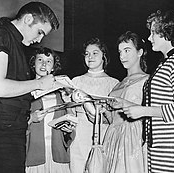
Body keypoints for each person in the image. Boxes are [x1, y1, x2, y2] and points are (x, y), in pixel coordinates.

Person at [113, 10, 174, 173]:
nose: (149, 38)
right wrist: (126, 104)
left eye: (153, 33)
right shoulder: (164, 63)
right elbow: (159, 104)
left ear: (167, 32)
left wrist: (143, 110)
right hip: (159, 146)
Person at [0, 2, 59, 173]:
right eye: (39, 32)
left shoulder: (15, 44)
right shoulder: (1, 35)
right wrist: (38, 83)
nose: (39, 40)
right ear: (28, 19)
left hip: (11, 131)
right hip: (0, 132)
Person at [85, 31, 149, 173]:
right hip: (112, 137)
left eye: (127, 50)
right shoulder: (117, 85)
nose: (122, 56)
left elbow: (150, 113)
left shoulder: (147, 81)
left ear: (140, 52)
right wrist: (102, 111)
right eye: (120, 52)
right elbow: (112, 119)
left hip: (133, 138)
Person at [69, 38, 119, 173]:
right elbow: (70, 114)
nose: (90, 57)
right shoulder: (76, 81)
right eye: (87, 53)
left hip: (103, 139)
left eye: (95, 53)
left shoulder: (113, 84)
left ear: (104, 56)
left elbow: (115, 120)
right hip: (79, 140)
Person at [26, 47, 74, 173]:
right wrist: (31, 118)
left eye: (48, 61)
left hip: (58, 156)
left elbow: (70, 131)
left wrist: (68, 129)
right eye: (40, 59)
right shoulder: (25, 92)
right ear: (33, 63)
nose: (43, 64)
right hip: (33, 155)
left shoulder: (62, 93)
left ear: (53, 67)